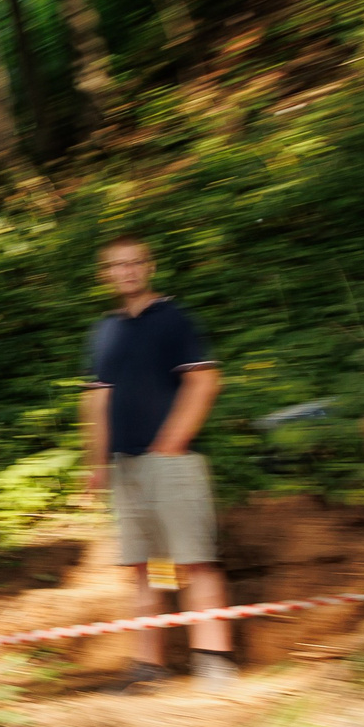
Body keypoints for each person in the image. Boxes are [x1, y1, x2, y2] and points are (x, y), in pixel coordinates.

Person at [80, 235, 233, 692]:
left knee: (194, 561)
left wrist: (171, 441)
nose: (126, 271)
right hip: (125, 466)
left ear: (149, 266)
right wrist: (96, 464)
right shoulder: (104, 331)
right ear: (104, 275)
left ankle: (214, 662)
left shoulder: (174, 318)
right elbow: (96, 400)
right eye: (116, 265)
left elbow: (205, 381)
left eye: (135, 263)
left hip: (171, 463)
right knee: (142, 568)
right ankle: (148, 668)